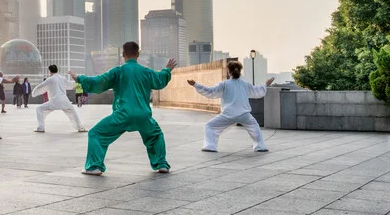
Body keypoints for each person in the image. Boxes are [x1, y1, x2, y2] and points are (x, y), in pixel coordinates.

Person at [70, 42, 176, 176]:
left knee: (96, 134)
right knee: (155, 136)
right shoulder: (146, 72)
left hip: (123, 114)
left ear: (123, 55)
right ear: (138, 54)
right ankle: (161, 164)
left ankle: (93, 167)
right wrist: (167, 70)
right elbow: (160, 80)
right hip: (143, 115)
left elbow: (98, 82)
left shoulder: (118, 71)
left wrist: (79, 78)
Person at [188, 61, 273, 153]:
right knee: (254, 127)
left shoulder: (224, 84)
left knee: (210, 126)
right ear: (240, 72)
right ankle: (260, 146)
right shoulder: (245, 84)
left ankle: (210, 146)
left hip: (228, 114)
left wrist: (195, 85)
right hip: (244, 114)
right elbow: (257, 91)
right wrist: (266, 85)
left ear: (229, 72)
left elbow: (210, 91)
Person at [33, 64, 87, 133]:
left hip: (54, 102)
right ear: (57, 70)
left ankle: (41, 128)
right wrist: (79, 84)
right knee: (73, 113)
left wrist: (34, 93)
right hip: (65, 101)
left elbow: (41, 87)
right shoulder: (63, 78)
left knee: (39, 109)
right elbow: (70, 85)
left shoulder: (50, 79)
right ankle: (80, 128)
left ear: (50, 71)